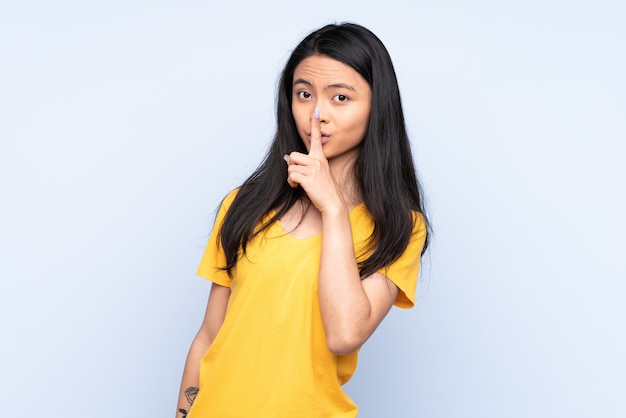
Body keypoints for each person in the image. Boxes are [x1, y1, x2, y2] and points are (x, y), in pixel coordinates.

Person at [175, 22, 430, 418]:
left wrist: (333, 210)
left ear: (377, 106)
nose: (317, 114)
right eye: (304, 94)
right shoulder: (244, 206)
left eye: (340, 97)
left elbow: (345, 334)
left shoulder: (399, 227)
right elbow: (208, 335)